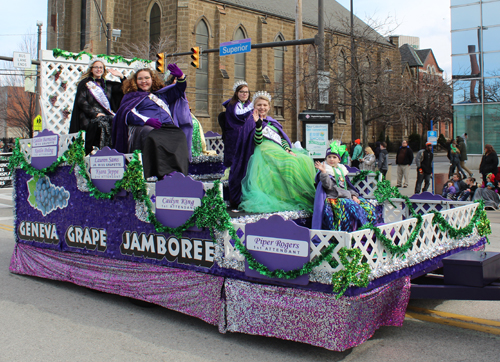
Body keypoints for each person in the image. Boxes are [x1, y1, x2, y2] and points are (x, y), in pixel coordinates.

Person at [228, 91, 316, 212]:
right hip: (263, 152)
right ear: (254, 106)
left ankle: (304, 195)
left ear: (269, 107)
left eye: (265, 105)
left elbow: (281, 139)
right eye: (259, 105)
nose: (262, 107)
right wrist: (258, 125)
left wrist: (287, 149)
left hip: (278, 150)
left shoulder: (272, 123)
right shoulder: (249, 122)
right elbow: (257, 141)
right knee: (291, 163)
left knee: (303, 159)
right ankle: (291, 197)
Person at [111, 63, 192, 179]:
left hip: (167, 127)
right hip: (145, 127)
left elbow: (179, 90)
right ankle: (161, 173)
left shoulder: (161, 95)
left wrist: (181, 78)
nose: (144, 81)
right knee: (153, 136)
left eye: (146, 78)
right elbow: (126, 114)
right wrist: (146, 121)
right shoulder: (131, 96)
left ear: (152, 79)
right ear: (135, 81)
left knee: (180, 136)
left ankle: (178, 173)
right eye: (140, 79)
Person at [312, 142, 377, 232]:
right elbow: (328, 186)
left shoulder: (341, 170)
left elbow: (347, 186)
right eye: (329, 157)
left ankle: (369, 229)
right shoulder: (326, 170)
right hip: (334, 199)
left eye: (334, 157)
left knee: (366, 205)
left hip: (345, 197)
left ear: (339, 160)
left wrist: (354, 195)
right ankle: (357, 230)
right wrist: (323, 172)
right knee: (354, 208)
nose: (331, 159)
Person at [69, 59, 125, 154]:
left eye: (101, 67)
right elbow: (81, 101)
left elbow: (124, 89)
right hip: (88, 116)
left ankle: (112, 151)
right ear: (91, 69)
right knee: (100, 124)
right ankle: (92, 150)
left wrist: (121, 76)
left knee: (116, 122)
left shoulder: (108, 85)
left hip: (106, 115)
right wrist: (95, 113)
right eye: (96, 67)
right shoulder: (85, 84)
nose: (99, 69)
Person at [222, 81, 253, 168]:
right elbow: (240, 114)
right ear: (236, 93)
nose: (244, 94)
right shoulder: (232, 104)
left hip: (246, 135)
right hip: (235, 135)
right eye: (241, 92)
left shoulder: (248, 104)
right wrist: (252, 106)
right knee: (235, 158)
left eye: (246, 92)